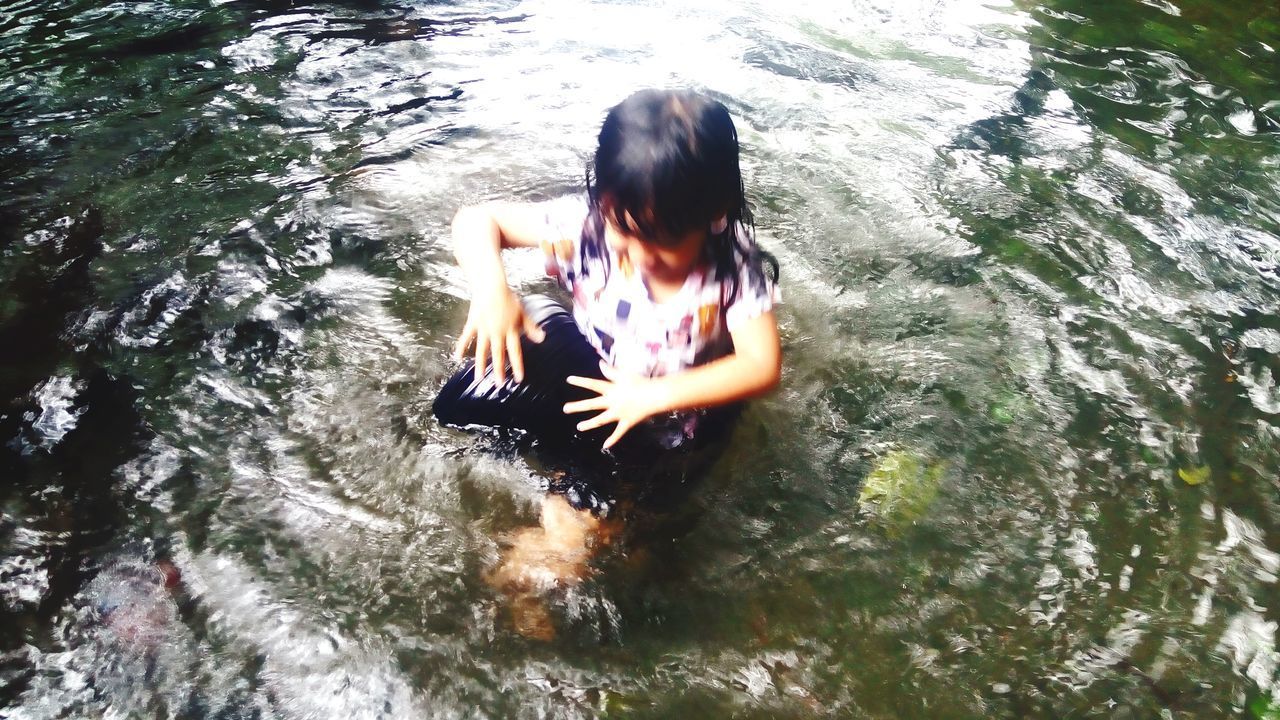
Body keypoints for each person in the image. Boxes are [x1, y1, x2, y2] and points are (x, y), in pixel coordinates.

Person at [433, 88, 780, 637]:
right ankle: (543, 531)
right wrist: (491, 290)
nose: (637, 255)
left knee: (604, 531)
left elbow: (761, 366)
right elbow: (477, 221)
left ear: (713, 215)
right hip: (593, 373)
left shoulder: (732, 267)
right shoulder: (589, 226)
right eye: (625, 230)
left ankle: (535, 580)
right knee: (469, 398)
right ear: (604, 197)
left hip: (669, 420)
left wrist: (651, 395)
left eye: (661, 245)